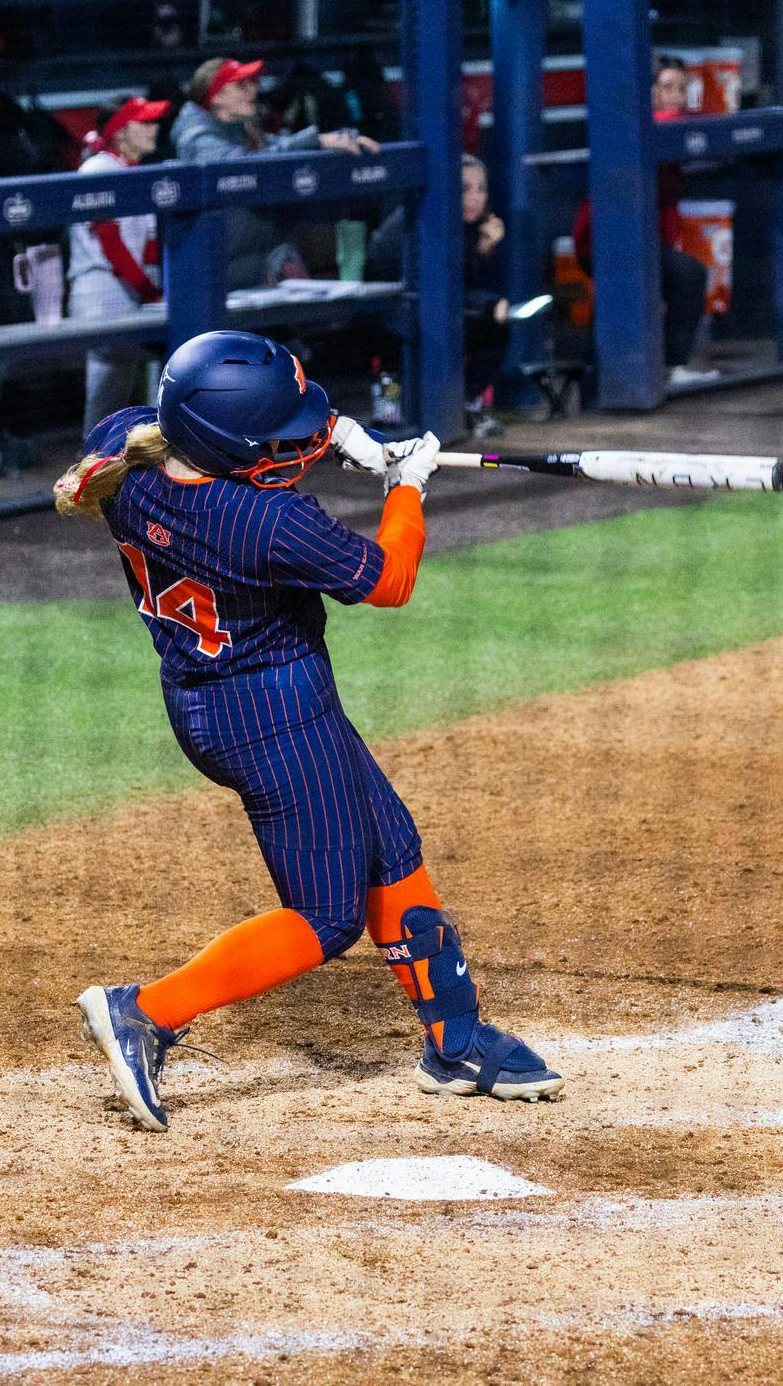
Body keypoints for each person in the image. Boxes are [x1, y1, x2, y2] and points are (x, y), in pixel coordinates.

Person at [53, 330, 564, 1133]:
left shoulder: (127, 452)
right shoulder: (265, 523)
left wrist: (345, 439)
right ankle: (145, 1010)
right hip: (271, 719)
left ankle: (455, 1043)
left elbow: (217, 439)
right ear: (239, 448)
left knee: (389, 844)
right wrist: (404, 485)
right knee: (326, 916)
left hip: (220, 701)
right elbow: (389, 580)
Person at [171, 57, 381, 289]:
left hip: (257, 259)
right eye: (242, 85)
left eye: (253, 82)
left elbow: (280, 146)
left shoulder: (243, 130)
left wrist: (340, 138)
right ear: (216, 96)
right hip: (215, 273)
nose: (253, 90)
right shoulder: (196, 137)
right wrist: (315, 139)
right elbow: (243, 166)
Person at [572, 57, 717, 388]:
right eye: (667, 87)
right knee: (686, 274)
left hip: (643, 241)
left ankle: (651, 370)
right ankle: (668, 367)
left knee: (679, 275)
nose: (675, 97)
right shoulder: (644, 122)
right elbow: (673, 123)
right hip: (604, 240)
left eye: (682, 89)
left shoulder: (674, 125)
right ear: (649, 91)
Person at [370, 154, 510, 436]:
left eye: (481, 189)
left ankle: (467, 405)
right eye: (465, 189)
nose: (475, 198)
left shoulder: (476, 228)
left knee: (496, 324)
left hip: (436, 311)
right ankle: (391, 413)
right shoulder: (422, 218)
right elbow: (435, 283)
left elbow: (466, 287)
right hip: (393, 311)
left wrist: (484, 250)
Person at [68, 95, 170, 435]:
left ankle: (114, 470)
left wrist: (152, 287)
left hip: (128, 286)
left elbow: (148, 243)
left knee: (118, 396)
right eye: (145, 122)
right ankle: (88, 469)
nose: (155, 127)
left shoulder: (133, 169)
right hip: (101, 286)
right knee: (104, 398)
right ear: (121, 131)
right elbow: (110, 241)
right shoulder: (97, 169)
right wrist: (148, 291)